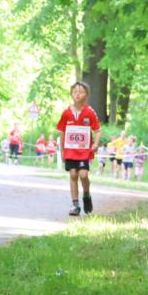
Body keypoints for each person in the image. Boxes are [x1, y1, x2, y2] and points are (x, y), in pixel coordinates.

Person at [56, 81, 101, 216]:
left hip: (84, 151)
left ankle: (86, 195)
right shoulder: (66, 113)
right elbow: (62, 132)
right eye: (75, 92)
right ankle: (75, 205)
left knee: (83, 175)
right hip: (70, 150)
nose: (77, 94)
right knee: (73, 174)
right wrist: (63, 151)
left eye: (81, 92)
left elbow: (97, 130)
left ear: (86, 95)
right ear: (71, 94)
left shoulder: (89, 112)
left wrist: (96, 144)